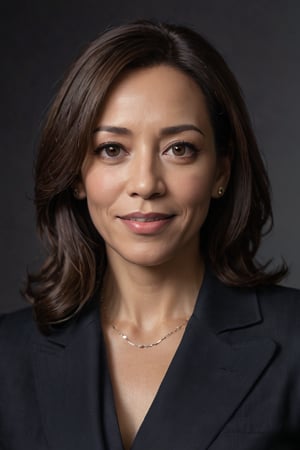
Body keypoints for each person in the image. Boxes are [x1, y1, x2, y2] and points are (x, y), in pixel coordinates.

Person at [0, 19, 299, 450]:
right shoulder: (9, 354)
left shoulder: (293, 341)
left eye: (179, 149)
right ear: (77, 174)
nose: (145, 183)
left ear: (221, 171)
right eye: (112, 149)